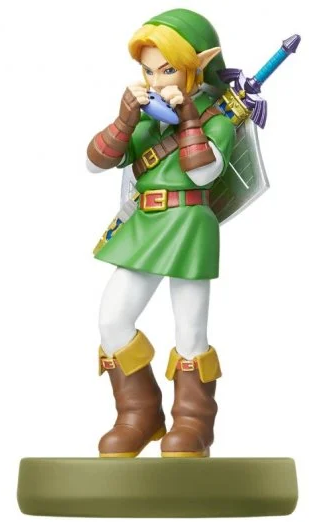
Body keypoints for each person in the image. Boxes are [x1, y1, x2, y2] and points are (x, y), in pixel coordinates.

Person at [86, 8, 236, 458]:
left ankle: (193, 421)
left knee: (190, 330)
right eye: (148, 71)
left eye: (167, 70)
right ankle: (139, 413)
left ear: (198, 66)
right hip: (145, 224)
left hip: (189, 224)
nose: (155, 81)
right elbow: (95, 161)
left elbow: (204, 172)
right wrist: (125, 120)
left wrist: (189, 118)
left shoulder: (217, 118)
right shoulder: (149, 121)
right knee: (112, 320)